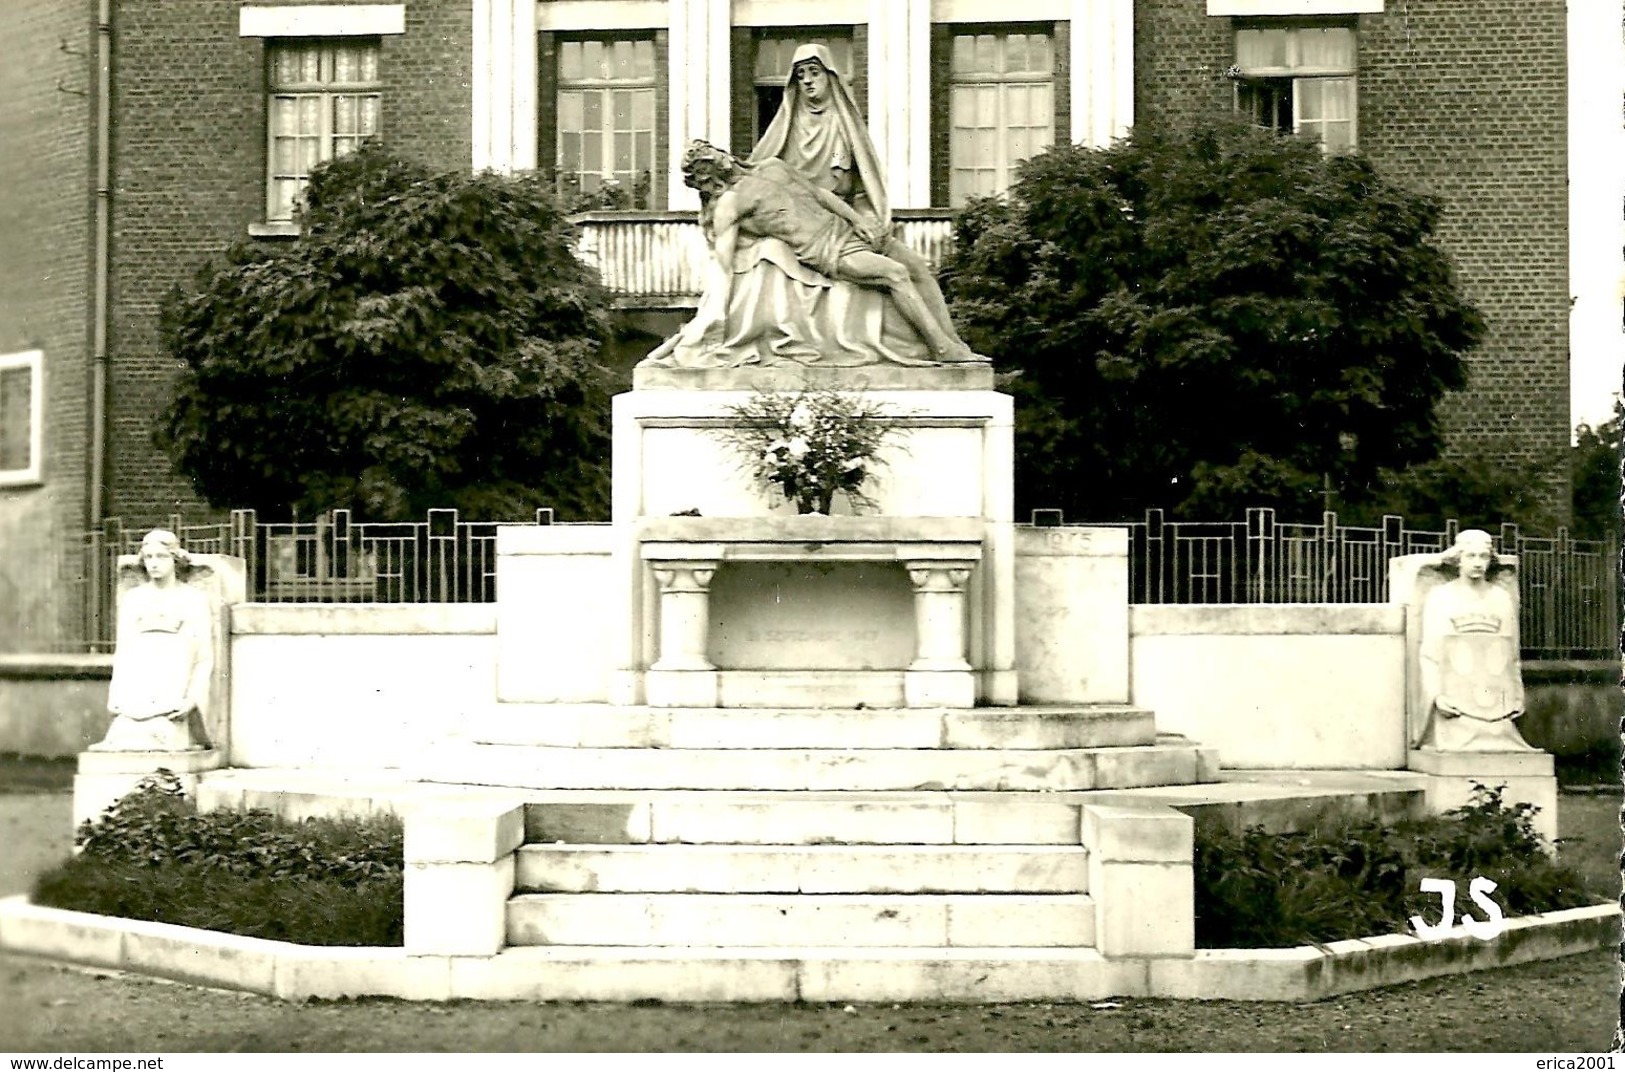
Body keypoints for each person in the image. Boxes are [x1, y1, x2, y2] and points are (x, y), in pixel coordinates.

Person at [651, 141, 985, 366]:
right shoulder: (729, 204)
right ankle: (942, 348)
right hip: (829, 251)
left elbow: (821, 195)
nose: (713, 168)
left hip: (851, 229)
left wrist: (858, 220)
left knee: (918, 268)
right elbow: (723, 263)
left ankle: (954, 343)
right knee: (895, 274)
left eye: (709, 159)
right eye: (704, 173)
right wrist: (709, 318)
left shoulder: (772, 166)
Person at [92, 530, 214, 752]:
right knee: (123, 736)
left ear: (175, 559)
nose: (154, 563)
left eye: (161, 556)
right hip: (136, 700)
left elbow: (203, 657)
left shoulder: (193, 600)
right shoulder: (134, 599)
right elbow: (124, 654)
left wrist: (192, 699)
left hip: (173, 698)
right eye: (148, 557)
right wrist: (118, 701)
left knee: (163, 735)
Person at [1414, 529, 1533, 751]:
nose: (1478, 563)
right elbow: (1430, 655)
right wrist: (1437, 696)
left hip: (1497, 704)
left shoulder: (1501, 598)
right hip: (1455, 702)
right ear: (1458, 559)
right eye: (1471, 556)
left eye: (1483, 556)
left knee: (1503, 739)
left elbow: (1511, 655)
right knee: (1458, 739)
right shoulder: (1441, 598)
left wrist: (1517, 695)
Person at [748, 44, 887, 226]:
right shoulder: (787, 127)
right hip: (795, 220)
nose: (807, 80)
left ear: (829, 76)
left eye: (814, 72)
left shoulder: (843, 124)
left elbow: (862, 188)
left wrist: (869, 218)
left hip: (838, 219)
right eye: (800, 75)